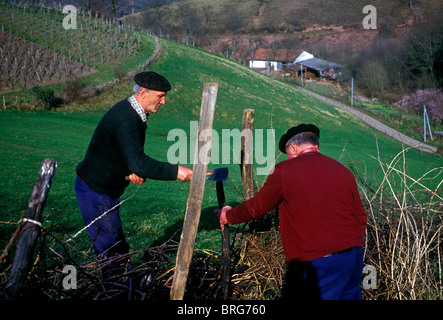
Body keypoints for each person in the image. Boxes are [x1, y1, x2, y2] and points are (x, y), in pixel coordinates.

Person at [215, 124, 367, 300]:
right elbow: (360, 216)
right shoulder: (344, 172)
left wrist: (228, 215)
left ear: (293, 148)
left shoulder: (285, 170)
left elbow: (257, 207)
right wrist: (351, 246)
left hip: (318, 264)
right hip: (352, 259)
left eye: (287, 152)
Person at [75, 71, 193, 279]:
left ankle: (120, 286)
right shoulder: (127, 119)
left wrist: (128, 172)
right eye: (160, 96)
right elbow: (138, 161)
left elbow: (117, 153)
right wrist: (176, 171)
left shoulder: (132, 113)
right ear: (144, 93)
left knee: (116, 246)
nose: (164, 102)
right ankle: (115, 290)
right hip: (96, 192)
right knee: (112, 250)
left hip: (102, 189)